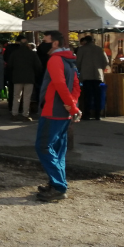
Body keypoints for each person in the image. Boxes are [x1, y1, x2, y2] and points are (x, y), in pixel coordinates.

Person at [35, 31, 81, 202]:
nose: (42, 44)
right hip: (63, 112)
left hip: (52, 110)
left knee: (44, 147)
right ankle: (57, 183)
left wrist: (71, 106)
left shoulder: (55, 59)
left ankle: (59, 185)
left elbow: (60, 85)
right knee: (58, 149)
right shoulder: (70, 60)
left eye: (44, 41)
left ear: (54, 43)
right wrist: (73, 106)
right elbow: (76, 85)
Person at [75, 35, 109, 120]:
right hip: (98, 75)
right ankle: (97, 114)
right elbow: (106, 61)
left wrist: (80, 68)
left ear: (85, 41)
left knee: (88, 96)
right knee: (98, 95)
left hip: (86, 75)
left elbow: (78, 62)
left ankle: (87, 114)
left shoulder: (82, 49)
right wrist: (100, 68)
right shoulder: (99, 49)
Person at [8, 42, 42, 121]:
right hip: (29, 78)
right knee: (27, 97)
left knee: (16, 96)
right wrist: (35, 74)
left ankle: (14, 114)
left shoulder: (14, 53)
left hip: (17, 78)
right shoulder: (32, 54)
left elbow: (9, 65)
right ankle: (25, 114)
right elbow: (38, 66)